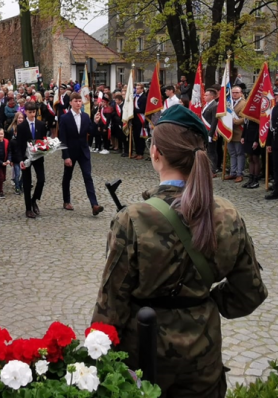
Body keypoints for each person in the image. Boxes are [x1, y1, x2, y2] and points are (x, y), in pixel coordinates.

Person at [91, 106, 268, 397]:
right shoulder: (227, 214)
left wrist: (97, 364)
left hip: (144, 357)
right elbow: (250, 292)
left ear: (155, 152)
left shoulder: (132, 219)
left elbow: (111, 307)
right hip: (203, 356)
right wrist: (204, 302)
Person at [59, 93, 105, 216]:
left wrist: (95, 123)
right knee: (67, 177)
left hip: (83, 151)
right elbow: (62, 139)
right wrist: (66, 156)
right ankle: (66, 200)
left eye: (80, 101)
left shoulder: (85, 116)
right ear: (71, 102)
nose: (78, 103)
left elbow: (91, 132)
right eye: (76, 101)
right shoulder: (65, 118)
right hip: (71, 151)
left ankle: (94, 204)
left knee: (87, 176)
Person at [11, 102, 47, 218]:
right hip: (26, 157)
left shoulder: (41, 125)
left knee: (41, 180)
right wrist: (20, 159)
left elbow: (43, 140)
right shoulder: (21, 127)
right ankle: (28, 208)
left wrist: (45, 147)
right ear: (25, 112)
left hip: (38, 156)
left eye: (34, 112)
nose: (32, 114)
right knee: (27, 182)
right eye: (30, 112)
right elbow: (19, 144)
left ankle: (34, 199)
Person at [200, 89, 219, 175]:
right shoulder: (206, 105)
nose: (204, 97)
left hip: (211, 132)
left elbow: (214, 121)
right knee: (206, 151)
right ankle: (207, 168)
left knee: (212, 151)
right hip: (205, 131)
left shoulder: (214, 105)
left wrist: (211, 134)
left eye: (206, 95)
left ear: (212, 96)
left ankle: (213, 170)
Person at [6, 111, 25, 194]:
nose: (20, 119)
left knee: (24, 173)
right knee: (16, 174)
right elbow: (10, 149)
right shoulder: (12, 131)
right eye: (19, 118)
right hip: (15, 157)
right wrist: (10, 159)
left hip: (23, 156)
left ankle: (20, 185)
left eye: (22, 118)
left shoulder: (25, 128)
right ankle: (17, 187)